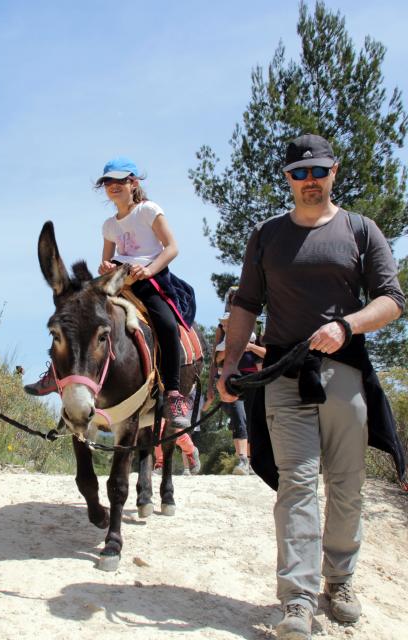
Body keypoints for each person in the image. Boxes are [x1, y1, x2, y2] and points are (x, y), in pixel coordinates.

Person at [217, 134, 405, 640]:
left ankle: (339, 581)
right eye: (300, 174)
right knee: (297, 484)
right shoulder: (267, 236)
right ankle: (296, 599)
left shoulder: (361, 230)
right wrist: (229, 366)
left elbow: (392, 299)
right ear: (288, 179)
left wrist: (346, 325)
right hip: (283, 375)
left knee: (347, 486)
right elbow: (246, 305)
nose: (310, 182)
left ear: (334, 172)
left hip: (345, 371)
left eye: (318, 172)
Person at [25, 157, 195, 430]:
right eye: (108, 182)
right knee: (79, 320)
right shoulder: (109, 225)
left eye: (120, 181)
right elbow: (105, 261)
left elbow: (172, 247)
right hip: (116, 282)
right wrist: (105, 267)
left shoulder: (149, 210)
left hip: (149, 281)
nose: (113, 186)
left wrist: (150, 270)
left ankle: (173, 392)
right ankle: (56, 375)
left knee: (165, 323)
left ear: (134, 183)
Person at [206, 310, 265, 475]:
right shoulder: (221, 343)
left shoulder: (255, 336)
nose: (225, 327)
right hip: (233, 383)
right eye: (224, 324)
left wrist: (251, 346)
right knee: (239, 418)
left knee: (252, 421)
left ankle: (252, 462)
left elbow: (266, 355)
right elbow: (217, 359)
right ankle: (243, 460)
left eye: (228, 323)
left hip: (253, 381)